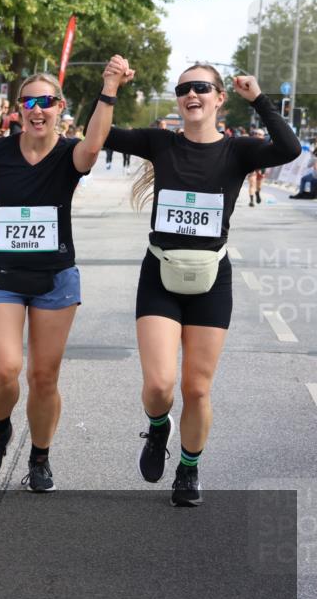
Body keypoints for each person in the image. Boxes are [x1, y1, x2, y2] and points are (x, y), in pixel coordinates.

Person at [104, 66, 301, 506]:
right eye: (183, 89)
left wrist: (259, 98)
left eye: (201, 87)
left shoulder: (237, 151)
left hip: (212, 277)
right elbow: (100, 135)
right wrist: (110, 88)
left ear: (219, 98)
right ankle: (158, 428)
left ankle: (189, 468)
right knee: (160, 385)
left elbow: (289, 148)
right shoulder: (161, 143)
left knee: (196, 388)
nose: (191, 94)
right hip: (160, 274)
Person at [0, 57, 134, 492]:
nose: (36, 110)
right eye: (28, 102)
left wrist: (109, 88)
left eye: (45, 102)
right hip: (1, 275)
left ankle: (39, 457)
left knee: (43, 377)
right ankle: (0, 428)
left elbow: (93, 147)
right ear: (18, 109)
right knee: (4, 369)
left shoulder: (69, 153)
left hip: (55, 278)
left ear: (60, 107)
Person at [246, 129, 267, 206]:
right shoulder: (249, 144)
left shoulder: (266, 145)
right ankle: (251, 201)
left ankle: (257, 193)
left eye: (259, 134)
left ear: (263, 136)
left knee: (259, 186)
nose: (257, 135)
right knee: (252, 184)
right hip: (252, 167)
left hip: (261, 168)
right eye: (256, 133)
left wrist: (262, 169)